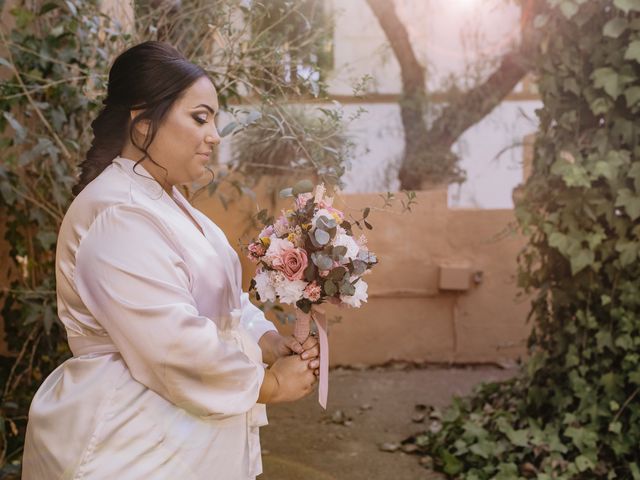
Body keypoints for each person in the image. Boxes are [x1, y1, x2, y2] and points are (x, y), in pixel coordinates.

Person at [21, 41, 319, 480]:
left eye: (214, 119)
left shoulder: (167, 203)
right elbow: (172, 342)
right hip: (133, 442)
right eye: (200, 117)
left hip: (184, 436)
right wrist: (268, 385)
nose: (214, 135)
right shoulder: (119, 213)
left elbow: (224, 303)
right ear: (142, 125)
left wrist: (268, 342)